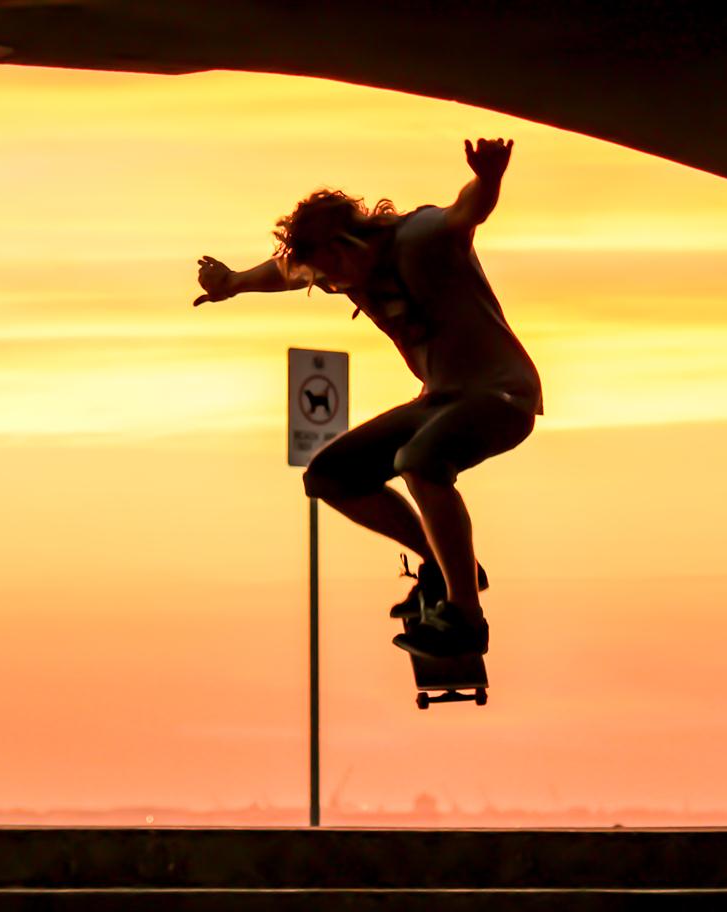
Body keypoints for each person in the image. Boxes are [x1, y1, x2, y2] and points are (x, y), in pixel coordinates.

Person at [193, 138, 542, 659]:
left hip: (502, 395)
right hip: (441, 399)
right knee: (329, 476)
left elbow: (464, 213)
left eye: (331, 273)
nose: (333, 286)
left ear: (347, 244)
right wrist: (232, 285)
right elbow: (283, 273)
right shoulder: (337, 268)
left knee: (419, 461)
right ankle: (443, 565)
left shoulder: (418, 238)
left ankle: (465, 616)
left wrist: (489, 178)